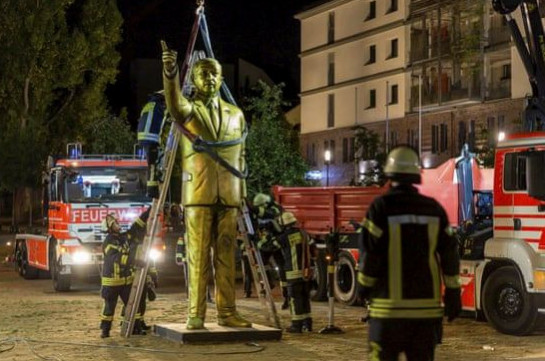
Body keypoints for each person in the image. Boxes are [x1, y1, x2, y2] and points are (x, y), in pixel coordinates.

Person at [161, 41, 250, 330]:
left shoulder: (236, 114)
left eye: (214, 74)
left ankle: (227, 311)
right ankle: (196, 313)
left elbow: (241, 155)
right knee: (197, 255)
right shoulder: (188, 109)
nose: (210, 78)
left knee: (226, 254)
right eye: (204, 74)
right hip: (198, 193)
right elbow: (173, 103)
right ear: (195, 80)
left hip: (229, 194)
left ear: (221, 78)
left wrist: (242, 192)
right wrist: (171, 72)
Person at [356, 146, 461, 361]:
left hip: (388, 312)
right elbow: (450, 254)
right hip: (425, 314)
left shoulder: (380, 208)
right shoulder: (434, 209)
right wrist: (453, 295)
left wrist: (363, 288)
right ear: (416, 174)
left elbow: (370, 255)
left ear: (390, 174)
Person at [99, 209, 150, 338]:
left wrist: (146, 214)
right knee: (109, 308)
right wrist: (135, 261)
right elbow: (118, 258)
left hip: (125, 281)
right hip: (112, 282)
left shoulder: (123, 237)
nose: (118, 224)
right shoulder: (108, 242)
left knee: (132, 305)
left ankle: (134, 327)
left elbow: (134, 229)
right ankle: (105, 330)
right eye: (115, 223)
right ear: (110, 228)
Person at [262, 211, 313, 333]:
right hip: (306, 273)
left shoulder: (284, 237)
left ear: (283, 224)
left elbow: (268, 247)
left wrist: (268, 236)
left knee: (294, 299)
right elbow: (312, 247)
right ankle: (307, 323)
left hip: (292, 274)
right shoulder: (304, 234)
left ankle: (296, 325)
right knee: (305, 297)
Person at [252, 193, 289, 309]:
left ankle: (286, 297)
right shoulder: (260, 213)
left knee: (283, 269)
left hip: (277, 243)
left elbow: (268, 215)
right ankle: (268, 282)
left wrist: (252, 208)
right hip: (266, 244)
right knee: (261, 264)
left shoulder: (274, 209)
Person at [137, 91, 169, 199]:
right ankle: (152, 191)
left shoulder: (148, 105)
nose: (165, 104)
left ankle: (154, 186)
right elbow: (170, 114)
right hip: (151, 138)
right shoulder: (158, 106)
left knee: (153, 163)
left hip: (144, 138)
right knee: (153, 164)